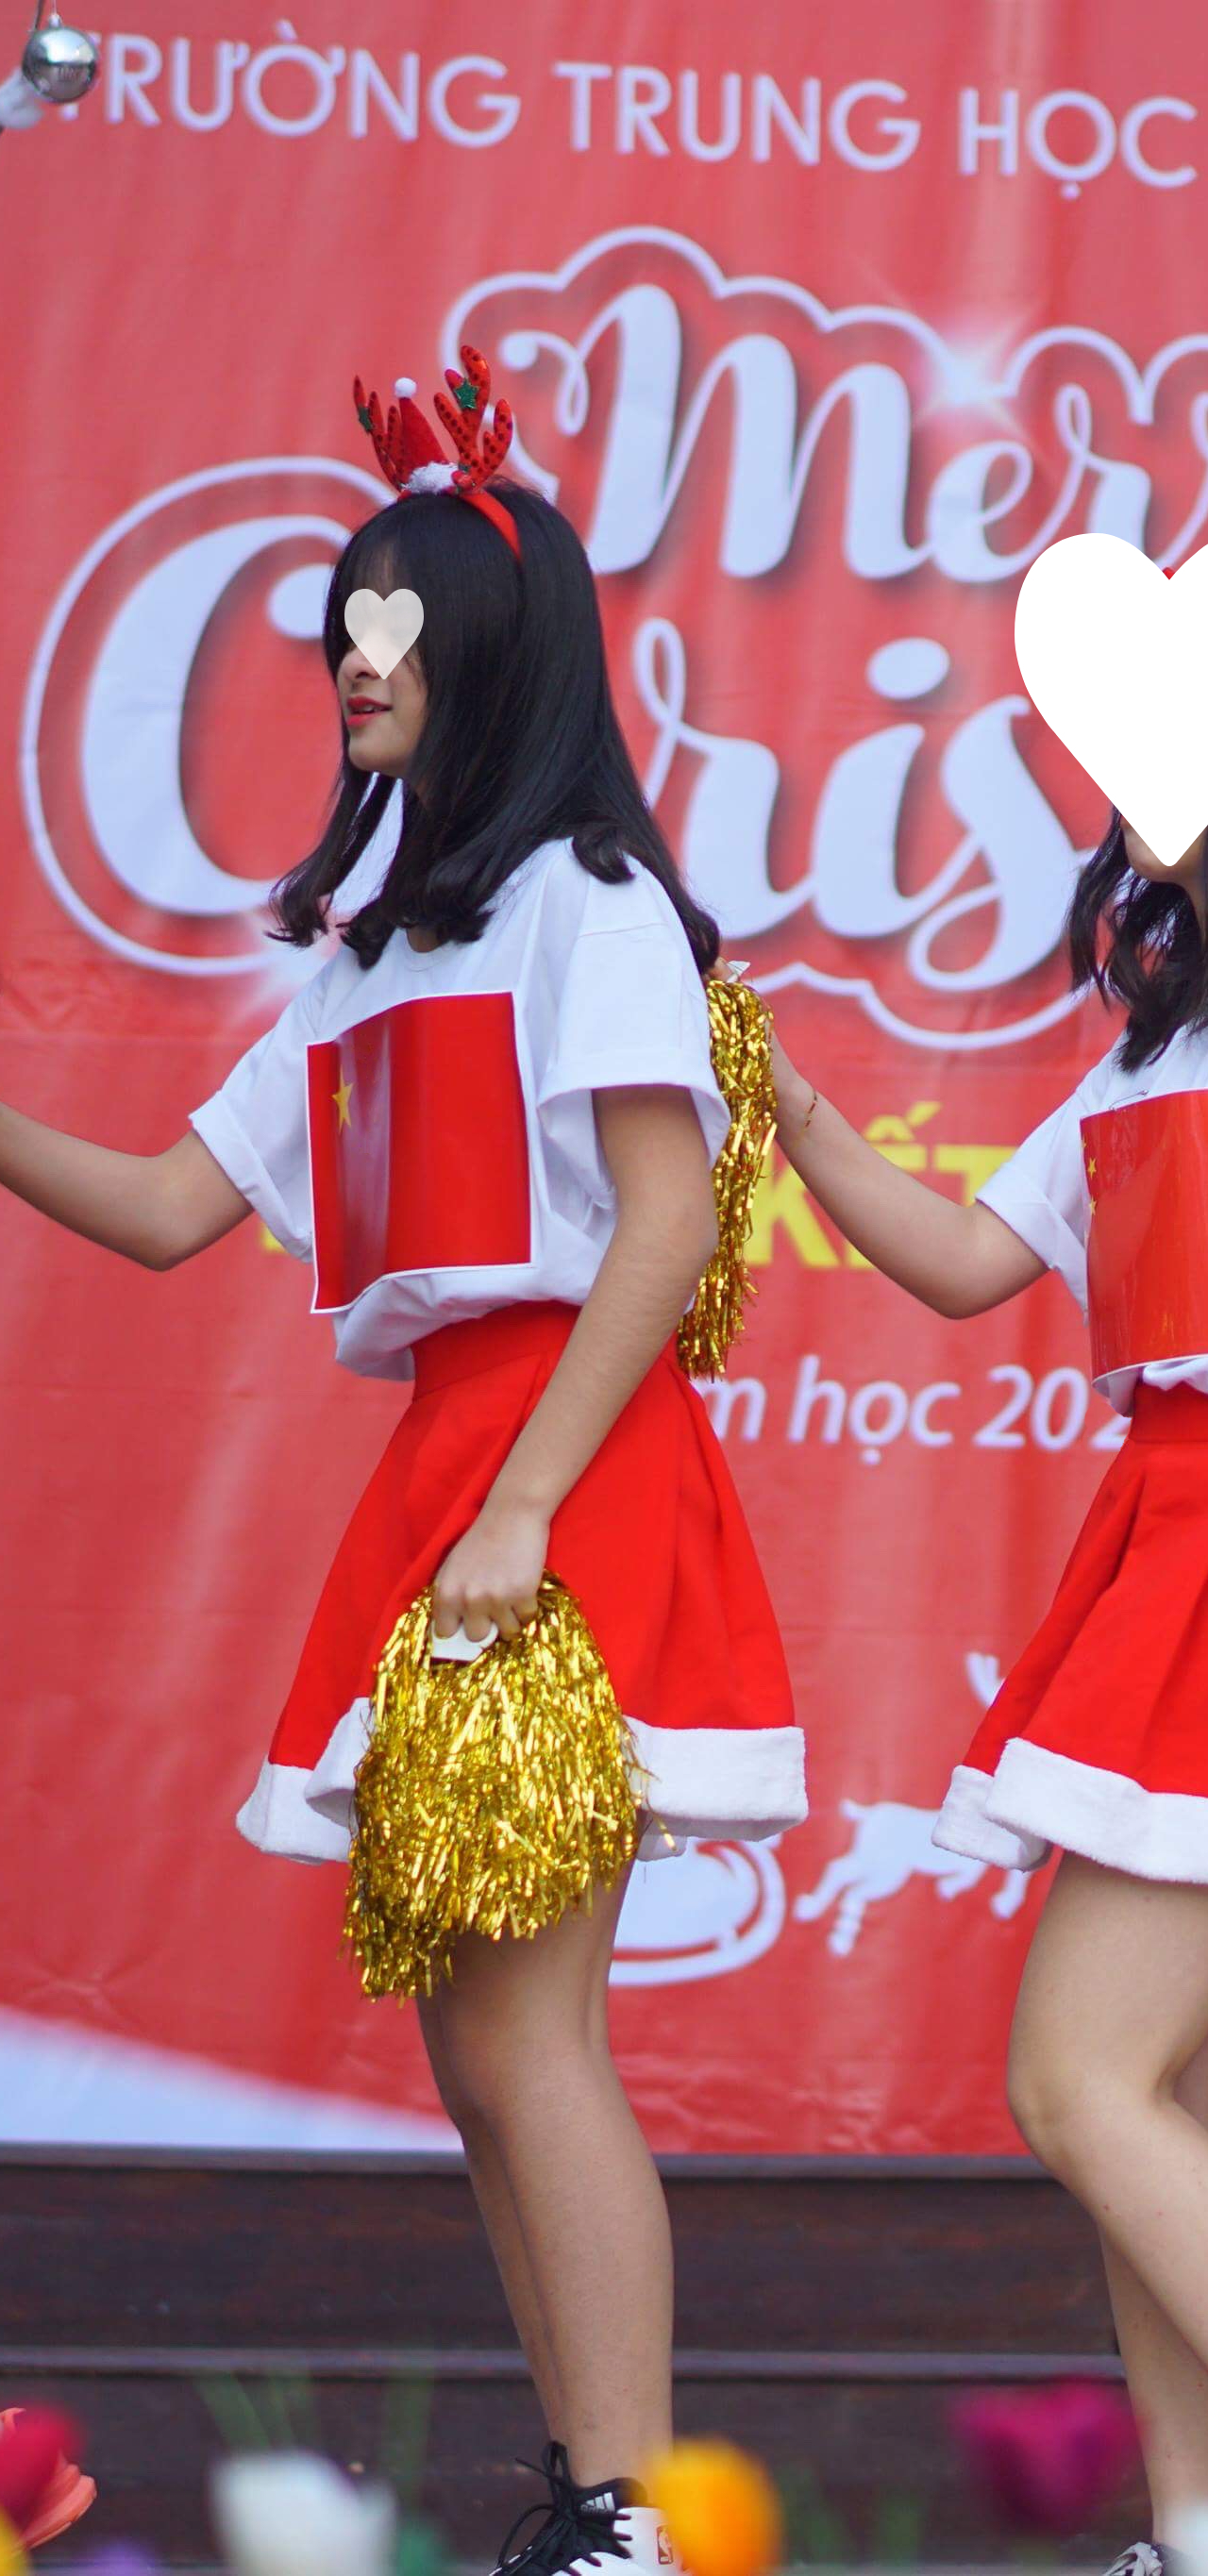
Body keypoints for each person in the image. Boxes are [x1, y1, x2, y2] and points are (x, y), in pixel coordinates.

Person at [0, 350, 805, 2576]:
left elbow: (665, 1224)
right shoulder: (375, 958)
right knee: (476, 2048)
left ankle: (633, 2519)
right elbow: (166, 1207)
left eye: (398, 630)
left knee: (535, 2036)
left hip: (564, 1474)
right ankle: (592, 2496)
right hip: (455, 1469)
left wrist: (529, 1504)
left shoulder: (591, 907)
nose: (356, 666)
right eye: (344, 629)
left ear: (491, 657)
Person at [771, 800, 1208, 2576]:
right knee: (1149, 2101)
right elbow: (967, 1262)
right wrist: (783, 1098)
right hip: (1166, 1550)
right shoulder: (1148, 1059)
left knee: (1081, 2080)